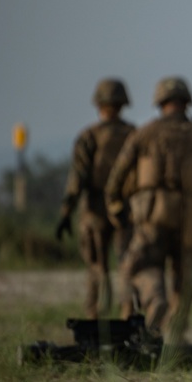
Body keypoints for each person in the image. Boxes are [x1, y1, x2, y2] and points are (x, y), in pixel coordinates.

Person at [105, 77, 192, 345]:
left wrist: (116, 207)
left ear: (160, 102)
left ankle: (155, 300)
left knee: (143, 265)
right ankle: (176, 327)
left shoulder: (145, 134)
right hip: (191, 217)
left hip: (152, 214)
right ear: (187, 102)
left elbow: (117, 177)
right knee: (185, 273)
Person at [55, 78, 136, 319]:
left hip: (94, 211)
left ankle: (95, 324)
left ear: (98, 104)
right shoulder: (134, 135)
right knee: (127, 267)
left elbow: (77, 179)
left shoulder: (89, 136)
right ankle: (128, 318)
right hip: (126, 210)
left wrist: (65, 213)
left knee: (97, 270)